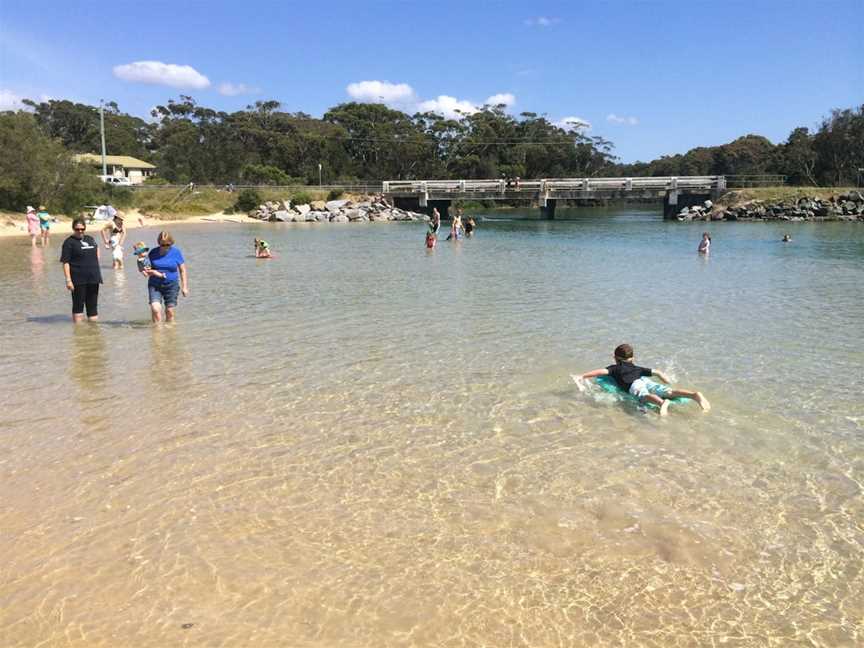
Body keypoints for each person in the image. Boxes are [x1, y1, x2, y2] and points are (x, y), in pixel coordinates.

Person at [581, 343, 710, 416]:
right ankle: (694, 395)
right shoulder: (638, 368)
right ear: (633, 358)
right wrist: (665, 378)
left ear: (615, 357)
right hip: (645, 380)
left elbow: (601, 371)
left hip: (633, 385)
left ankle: (661, 403)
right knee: (669, 391)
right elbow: (656, 372)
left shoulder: (615, 368)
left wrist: (583, 376)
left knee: (644, 395)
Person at [60, 218, 102, 323]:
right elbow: (65, 262)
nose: (80, 231)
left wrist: (95, 262)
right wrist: (68, 280)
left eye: (82, 229)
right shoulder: (69, 242)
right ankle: (78, 333)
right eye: (77, 229)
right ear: (73, 229)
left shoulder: (90, 239)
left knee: (93, 307)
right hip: (78, 279)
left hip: (93, 278)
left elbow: (97, 249)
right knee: (78, 305)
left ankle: (92, 334)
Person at [145, 231, 189, 323]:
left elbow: (182, 270)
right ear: (159, 243)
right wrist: (149, 271)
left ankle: (169, 333)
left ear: (171, 243)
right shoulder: (153, 253)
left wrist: (184, 287)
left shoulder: (176, 252)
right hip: (155, 285)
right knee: (156, 309)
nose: (165, 247)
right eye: (163, 245)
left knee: (169, 311)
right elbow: (147, 270)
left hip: (171, 285)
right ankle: (158, 332)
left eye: (167, 244)